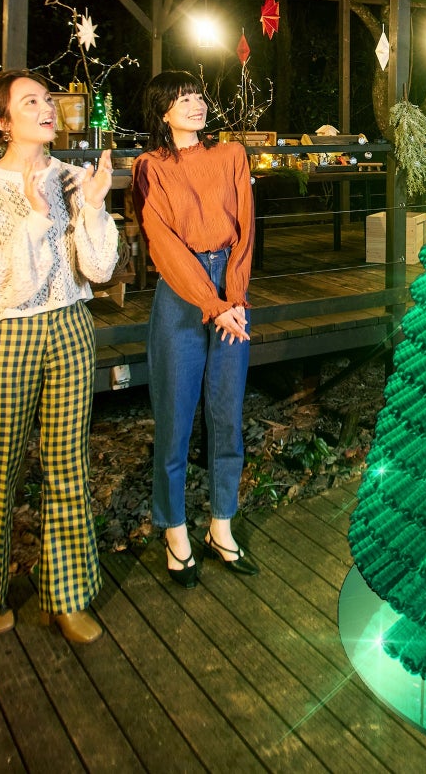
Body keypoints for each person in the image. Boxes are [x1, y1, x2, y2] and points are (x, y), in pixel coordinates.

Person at [0, 70, 118, 643]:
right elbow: (0, 285)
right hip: (5, 336)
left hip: (71, 326)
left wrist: (93, 210)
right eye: (31, 102)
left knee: (69, 467)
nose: (48, 108)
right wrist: (34, 215)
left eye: (48, 99)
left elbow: (98, 270)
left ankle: (65, 597)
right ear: (2, 122)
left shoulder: (74, 178)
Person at [131, 70, 258, 585]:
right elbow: (161, 243)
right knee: (176, 420)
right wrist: (211, 303)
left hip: (230, 288)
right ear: (162, 111)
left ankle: (221, 525)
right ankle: (175, 530)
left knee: (227, 416)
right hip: (181, 295)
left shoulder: (231, 155)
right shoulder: (149, 168)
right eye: (182, 98)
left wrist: (234, 297)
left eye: (199, 95)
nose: (196, 103)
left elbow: (246, 230)